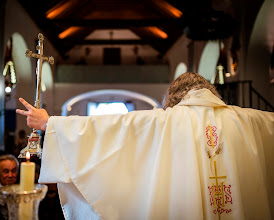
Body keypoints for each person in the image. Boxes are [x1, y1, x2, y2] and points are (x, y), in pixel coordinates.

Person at [16, 72, 274, 220]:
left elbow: (112, 130)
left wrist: (50, 124)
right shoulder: (250, 120)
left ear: (173, 97)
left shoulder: (163, 122)